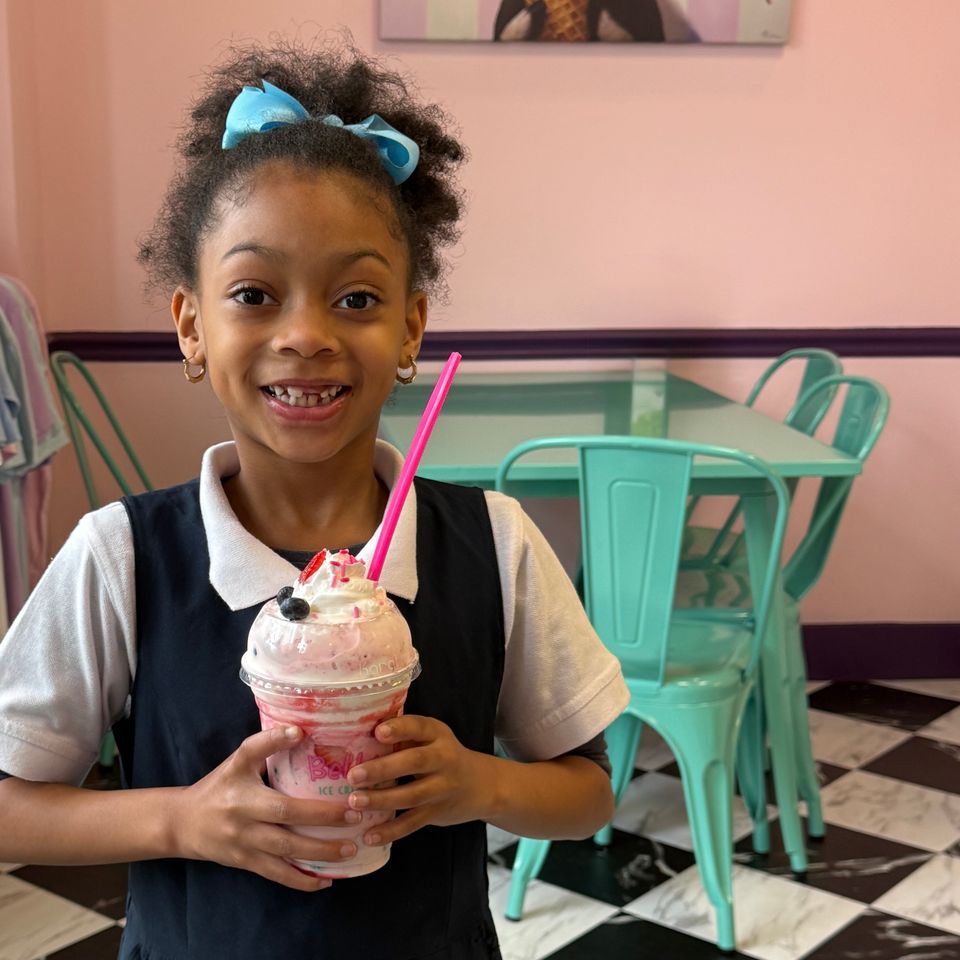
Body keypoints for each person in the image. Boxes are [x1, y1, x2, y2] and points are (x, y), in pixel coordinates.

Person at [0, 38, 629, 960]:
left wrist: (477, 786)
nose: (305, 335)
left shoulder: (491, 544)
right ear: (192, 326)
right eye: (254, 293)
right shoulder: (123, 559)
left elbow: (590, 794)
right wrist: (183, 822)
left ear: (412, 326)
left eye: (358, 298)